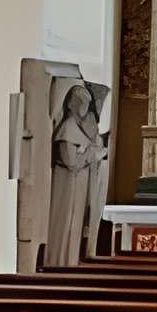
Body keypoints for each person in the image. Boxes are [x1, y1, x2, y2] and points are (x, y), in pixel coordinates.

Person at [46, 82, 109, 268]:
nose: (85, 107)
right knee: (66, 225)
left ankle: (70, 262)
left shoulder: (78, 129)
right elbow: (72, 162)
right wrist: (93, 154)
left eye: (87, 103)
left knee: (74, 227)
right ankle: (61, 263)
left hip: (77, 188)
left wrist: (93, 152)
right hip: (68, 188)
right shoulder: (67, 129)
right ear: (72, 104)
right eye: (82, 102)